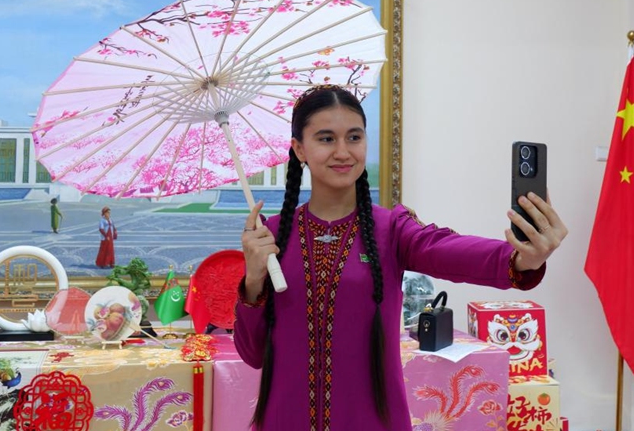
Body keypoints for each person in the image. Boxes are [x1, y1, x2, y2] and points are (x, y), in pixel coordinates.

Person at [235, 85, 568, 431]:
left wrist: (518, 259)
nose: (343, 152)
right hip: (285, 419)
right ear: (299, 149)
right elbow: (253, 354)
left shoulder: (391, 229)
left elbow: (449, 252)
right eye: (326, 139)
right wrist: (254, 280)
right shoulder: (270, 237)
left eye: (353, 137)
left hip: (371, 422)